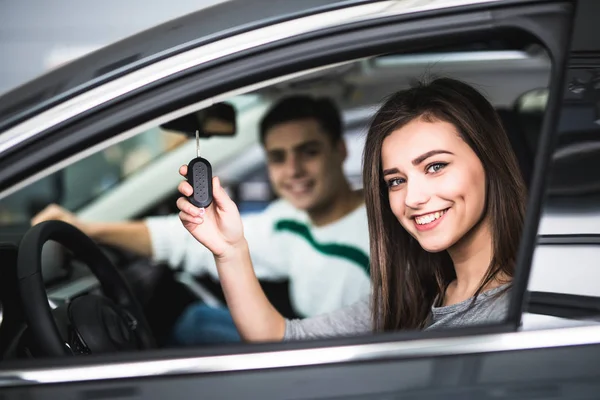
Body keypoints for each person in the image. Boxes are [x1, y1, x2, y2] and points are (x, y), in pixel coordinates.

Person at [175, 77, 527, 341]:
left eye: (435, 166)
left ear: (489, 161)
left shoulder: (517, 310)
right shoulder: (410, 294)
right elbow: (281, 338)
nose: (413, 198)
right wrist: (230, 251)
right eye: (395, 180)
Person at [31, 95, 370, 344]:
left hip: (328, 360)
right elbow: (185, 239)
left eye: (308, 151)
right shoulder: (289, 220)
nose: (293, 170)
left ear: (339, 150)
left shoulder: (379, 227)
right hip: (300, 337)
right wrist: (89, 229)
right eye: (278, 157)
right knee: (195, 319)